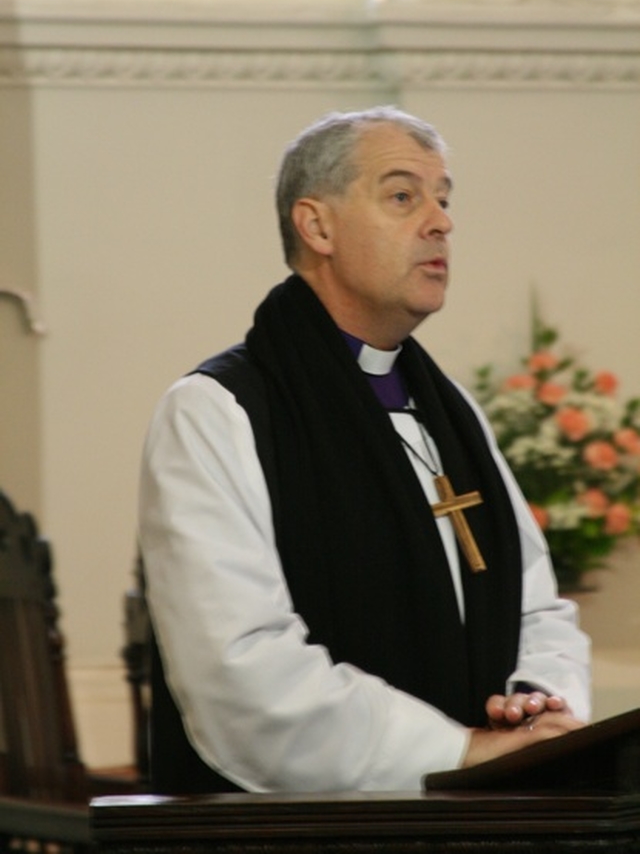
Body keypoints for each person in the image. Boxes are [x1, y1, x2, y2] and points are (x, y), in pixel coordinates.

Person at [138, 105, 591, 795]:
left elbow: (537, 607)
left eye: (443, 198)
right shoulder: (219, 411)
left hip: (482, 815)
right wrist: (461, 751)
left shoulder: (450, 411)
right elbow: (241, 670)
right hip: (287, 833)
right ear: (317, 225)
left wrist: (536, 704)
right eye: (404, 196)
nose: (441, 221)